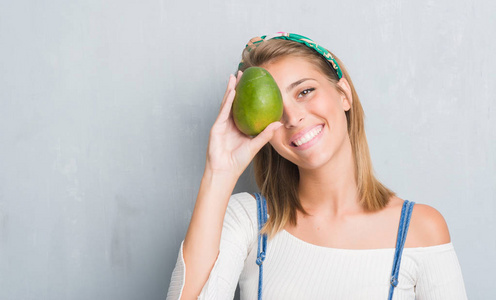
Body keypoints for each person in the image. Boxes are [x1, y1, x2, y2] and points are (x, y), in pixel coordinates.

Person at [166, 32, 467, 299]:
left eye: (305, 91)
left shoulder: (419, 229)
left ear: (343, 94)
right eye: (275, 109)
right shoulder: (248, 222)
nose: (293, 118)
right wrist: (219, 173)